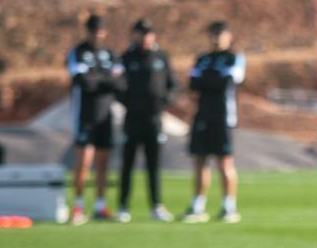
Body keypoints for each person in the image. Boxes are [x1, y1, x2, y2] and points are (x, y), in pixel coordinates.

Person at [183, 21, 245, 224]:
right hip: (202, 115)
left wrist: (208, 81)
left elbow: (228, 82)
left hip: (223, 116)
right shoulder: (203, 59)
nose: (216, 38)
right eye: (213, 34)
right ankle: (198, 205)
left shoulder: (234, 58)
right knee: (200, 161)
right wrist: (213, 79)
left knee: (224, 161)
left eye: (220, 34)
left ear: (229, 36)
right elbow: (193, 84)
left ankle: (229, 206)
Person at [65, 14, 123, 224]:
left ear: (105, 32)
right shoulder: (78, 52)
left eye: (100, 30)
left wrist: (96, 76)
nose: (97, 35)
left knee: (103, 162)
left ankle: (100, 206)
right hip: (85, 116)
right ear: (87, 32)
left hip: (105, 116)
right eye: (93, 31)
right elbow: (82, 82)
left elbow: (120, 84)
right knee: (84, 162)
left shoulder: (111, 54)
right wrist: (105, 78)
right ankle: (78, 206)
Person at [117, 19, 176, 223]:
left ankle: (157, 205)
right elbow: (118, 86)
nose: (145, 37)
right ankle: (123, 205)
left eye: (148, 33)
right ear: (135, 35)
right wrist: (129, 103)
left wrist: (164, 101)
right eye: (141, 33)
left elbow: (172, 85)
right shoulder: (127, 57)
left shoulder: (161, 57)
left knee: (154, 164)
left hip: (154, 119)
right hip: (132, 118)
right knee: (127, 164)